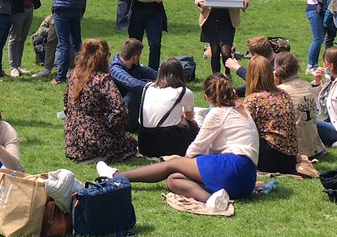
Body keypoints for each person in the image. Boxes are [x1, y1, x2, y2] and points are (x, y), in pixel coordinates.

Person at [99, 74, 258, 201]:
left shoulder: (218, 113)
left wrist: (183, 162)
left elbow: (195, 149)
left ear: (207, 96)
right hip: (247, 179)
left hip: (232, 166)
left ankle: (117, 176)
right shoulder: (241, 108)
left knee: (173, 164)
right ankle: (212, 201)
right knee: (173, 180)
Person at [63, 39, 136, 163]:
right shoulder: (102, 80)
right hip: (94, 139)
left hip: (73, 140)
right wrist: (114, 128)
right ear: (104, 57)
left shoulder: (74, 74)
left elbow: (66, 103)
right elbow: (121, 110)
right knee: (130, 143)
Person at [244, 55, 314, 176]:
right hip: (289, 158)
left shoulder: (253, 100)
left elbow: (244, 131)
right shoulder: (284, 94)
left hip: (269, 158)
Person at [194, 0, 249, 77]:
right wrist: (200, 1)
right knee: (214, 50)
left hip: (228, 17)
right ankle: (216, 78)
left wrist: (245, 2)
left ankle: (227, 73)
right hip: (211, 16)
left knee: (225, 50)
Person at [136, 58, 197, 158]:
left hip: (144, 143)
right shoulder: (184, 92)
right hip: (167, 146)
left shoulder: (147, 87)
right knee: (191, 124)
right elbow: (190, 117)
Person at [273, 52, 325, 159]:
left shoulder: (279, 93)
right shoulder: (308, 87)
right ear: (297, 68)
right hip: (317, 148)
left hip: (296, 152)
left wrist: (273, 86)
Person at [109, 38, 158, 134]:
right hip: (115, 115)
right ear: (135, 57)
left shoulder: (134, 66)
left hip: (127, 110)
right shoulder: (115, 69)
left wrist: (169, 78)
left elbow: (152, 73)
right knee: (135, 91)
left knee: (144, 84)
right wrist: (156, 88)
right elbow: (132, 83)